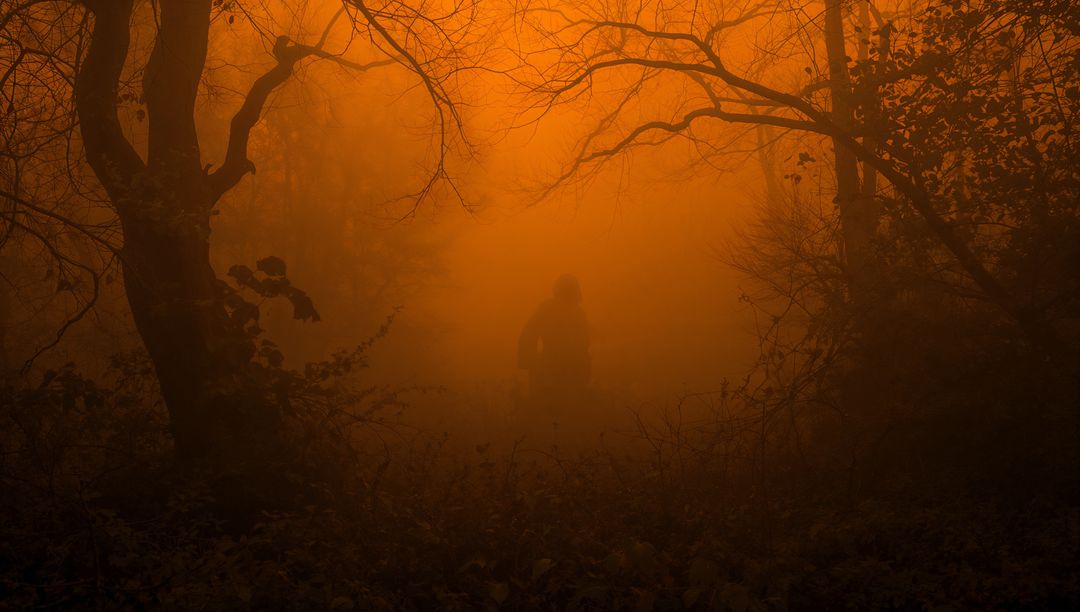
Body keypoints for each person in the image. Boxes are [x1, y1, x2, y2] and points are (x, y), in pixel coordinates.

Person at [517, 274, 591, 409]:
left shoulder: (572, 313)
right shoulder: (551, 310)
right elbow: (528, 335)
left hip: (566, 370)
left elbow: (584, 344)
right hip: (554, 369)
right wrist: (531, 362)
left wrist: (530, 362)